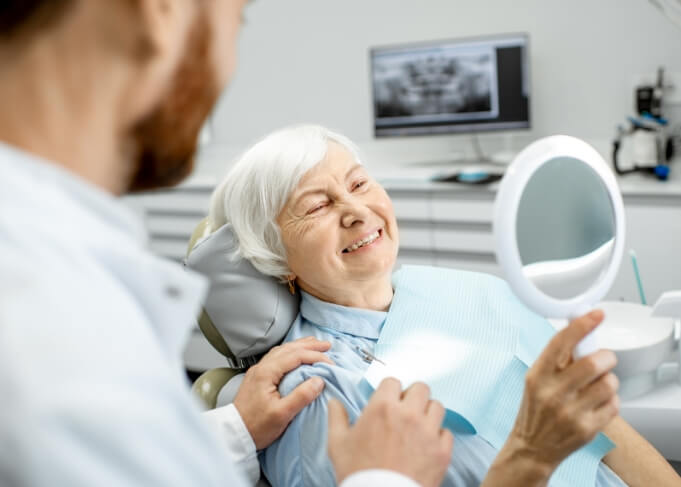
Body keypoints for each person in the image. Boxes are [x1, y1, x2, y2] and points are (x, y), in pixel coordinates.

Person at [0, 2, 452, 487]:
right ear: (161, 11)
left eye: (359, 184)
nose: (229, 63)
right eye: (238, 18)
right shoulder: (45, 332)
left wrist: (234, 429)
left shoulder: (56, 283)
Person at [209, 124, 681, 487]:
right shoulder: (314, 394)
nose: (355, 211)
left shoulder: (471, 289)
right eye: (316, 207)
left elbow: (602, 428)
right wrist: (532, 454)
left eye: (358, 184)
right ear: (276, 257)